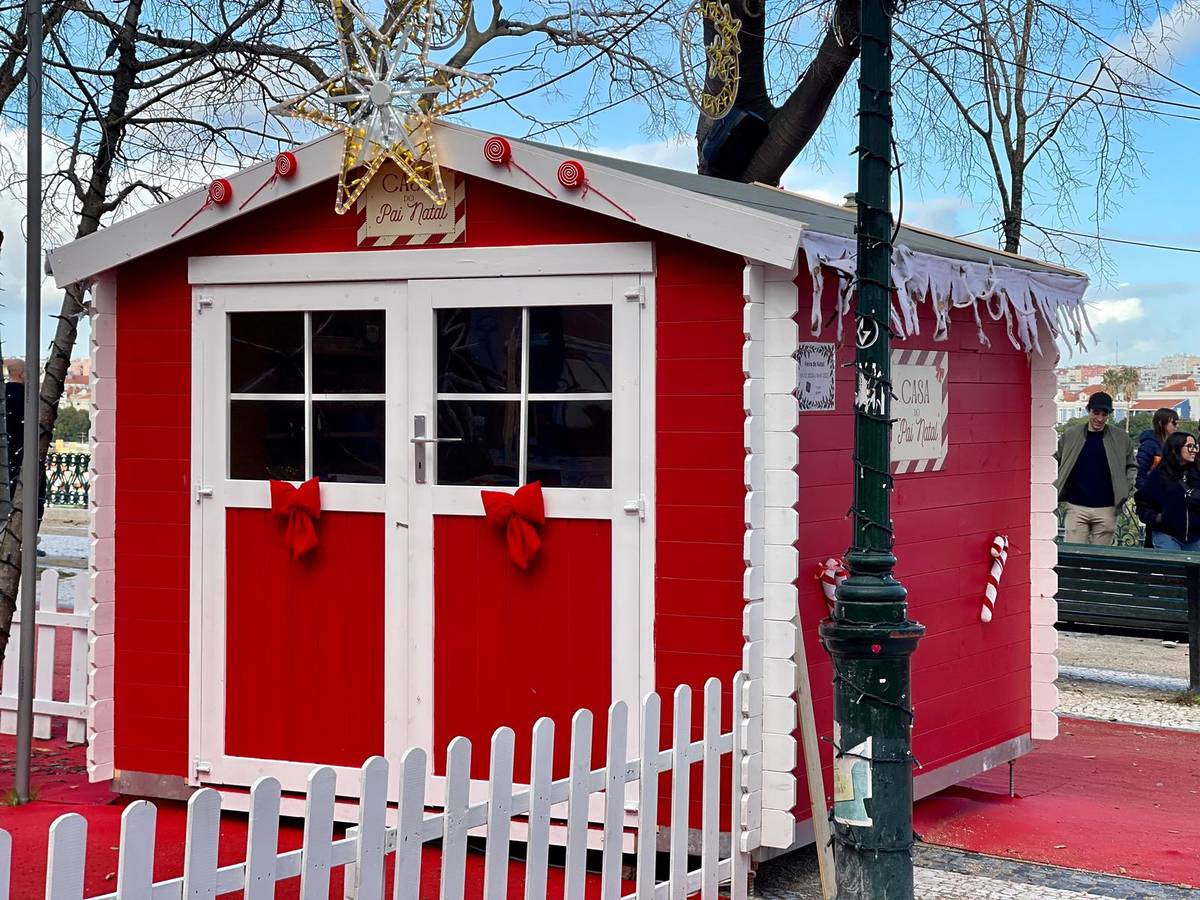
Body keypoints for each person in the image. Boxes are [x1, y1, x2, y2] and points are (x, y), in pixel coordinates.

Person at [1054, 391, 1137, 545]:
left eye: (1104, 414)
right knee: (1075, 556)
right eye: (1096, 413)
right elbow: (1055, 461)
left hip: (1107, 508)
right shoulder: (1070, 435)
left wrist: (1126, 489)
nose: (1099, 418)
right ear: (1088, 410)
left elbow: (1131, 466)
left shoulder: (1121, 438)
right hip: (1076, 506)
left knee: (1101, 559)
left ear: (1109, 415)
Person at [1134, 432, 1200, 551]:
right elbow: (1142, 502)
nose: (1194, 450)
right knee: (1172, 568)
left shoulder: (1197, 473)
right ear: (1176, 448)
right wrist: (1156, 518)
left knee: (1193, 569)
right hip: (1166, 534)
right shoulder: (1159, 475)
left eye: (1195, 446)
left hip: (1195, 537)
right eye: (1190, 446)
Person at [1136, 407, 1179, 491]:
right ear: (1161, 423)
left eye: (1177, 423)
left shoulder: (1173, 445)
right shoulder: (1149, 445)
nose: (1177, 426)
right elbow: (1139, 474)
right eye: (1174, 423)